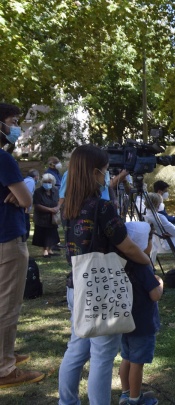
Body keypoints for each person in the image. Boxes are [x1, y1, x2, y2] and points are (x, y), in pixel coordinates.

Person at [58, 144, 151, 404]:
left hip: (76, 285)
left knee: (77, 348)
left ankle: (67, 401)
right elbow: (127, 245)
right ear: (96, 172)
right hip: (102, 287)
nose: (107, 176)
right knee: (102, 355)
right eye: (106, 171)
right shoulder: (101, 206)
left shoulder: (68, 207)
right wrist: (146, 261)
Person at [0, 103, 45, 389]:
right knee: (7, 305)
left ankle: (5, 355)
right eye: (14, 121)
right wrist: (24, 191)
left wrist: (21, 190)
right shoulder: (4, 160)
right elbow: (27, 200)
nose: (17, 127)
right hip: (7, 239)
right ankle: (4, 368)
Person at [119, 222, 162, 405]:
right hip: (142, 323)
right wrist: (159, 282)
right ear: (143, 243)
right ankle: (135, 399)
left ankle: (125, 392)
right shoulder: (143, 266)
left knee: (126, 358)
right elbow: (154, 295)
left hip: (124, 322)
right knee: (137, 362)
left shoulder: (120, 263)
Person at [32, 174, 61, 258]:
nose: (47, 184)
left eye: (49, 182)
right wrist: (50, 210)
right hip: (41, 217)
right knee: (43, 233)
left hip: (53, 217)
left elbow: (59, 200)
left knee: (52, 233)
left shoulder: (55, 190)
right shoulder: (38, 192)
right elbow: (36, 205)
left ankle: (50, 250)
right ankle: (45, 251)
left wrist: (57, 208)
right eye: (45, 182)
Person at [23, 169, 39, 239]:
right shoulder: (30, 182)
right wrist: (26, 209)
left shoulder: (26, 180)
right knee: (26, 227)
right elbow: (27, 196)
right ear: (36, 176)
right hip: (24, 209)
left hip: (23, 208)